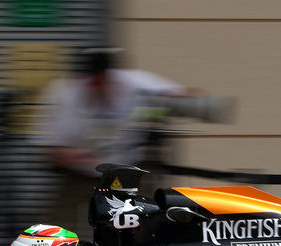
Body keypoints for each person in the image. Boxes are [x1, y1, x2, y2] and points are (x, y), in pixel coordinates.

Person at [40, 49, 192, 233]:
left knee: (140, 223)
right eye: (94, 84)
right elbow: (52, 150)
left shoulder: (135, 83)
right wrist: (73, 156)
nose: (101, 88)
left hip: (125, 171)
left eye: (105, 81)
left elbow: (185, 97)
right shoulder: (64, 95)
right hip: (81, 173)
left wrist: (180, 104)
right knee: (58, 225)